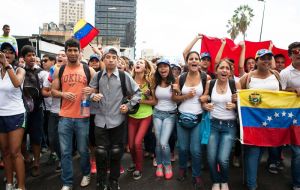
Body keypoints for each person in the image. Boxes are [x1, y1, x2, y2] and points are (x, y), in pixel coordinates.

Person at [89, 46, 141, 190]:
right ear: (103, 59)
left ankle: (114, 180)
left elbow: (138, 93)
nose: (111, 60)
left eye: (114, 57)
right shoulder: (97, 76)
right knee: (100, 152)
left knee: (116, 152)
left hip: (118, 120)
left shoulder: (124, 76)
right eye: (108, 57)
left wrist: (129, 106)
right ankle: (100, 181)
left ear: (118, 60)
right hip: (100, 120)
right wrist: (93, 96)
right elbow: (89, 92)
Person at [51, 38, 95, 190]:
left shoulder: (88, 69)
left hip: (83, 117)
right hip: (65, 117)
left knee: (83, 150)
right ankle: (67, 182)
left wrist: (92, 90)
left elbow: (98, 88)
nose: (72, 53)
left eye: (75, 50)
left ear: (80, 52)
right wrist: (63, 94)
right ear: (66, 52)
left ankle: (86, 173)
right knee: (65, 152)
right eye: (69, 50)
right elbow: (53, 91)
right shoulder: (60, 69)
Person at [239, 49, 281, 190]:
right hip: (253, 122)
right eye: (263, 58)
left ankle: (248, 177)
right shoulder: (248, 76)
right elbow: (238, 91)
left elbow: (283, 94)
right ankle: (252, 185)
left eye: (269, 58)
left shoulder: (276, 75)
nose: (266, 61)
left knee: (261, 150)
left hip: (270, 122)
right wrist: (236, 97)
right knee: (253, 152)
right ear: (256, 61)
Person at [172, 50, 210, 190]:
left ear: (199, 62)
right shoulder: (180, 78)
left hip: (198, 119)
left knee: (195, 150)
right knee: (182, 148)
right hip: (181, 118)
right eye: (191, 59)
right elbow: (174, 98)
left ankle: (196, 175)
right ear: (187, 62)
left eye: (196, 58)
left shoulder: (206, 77)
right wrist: (186, 96)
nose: (194, 61)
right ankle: (182, 169)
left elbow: (208, 96)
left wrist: (205, 98)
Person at [202, 59, 240, 190]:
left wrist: (236, 104)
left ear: (230, 72)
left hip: (229, 127)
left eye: (227, 68)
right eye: (221, 67)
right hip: (213, 125)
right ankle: (215, 181)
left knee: (223, 159)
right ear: (216, 70)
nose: (224, 70)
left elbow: (243, 105)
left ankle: (224, 180)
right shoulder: (210, 83)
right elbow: (204, 98)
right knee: (211, 158)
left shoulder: (236, 83)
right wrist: (205, 105)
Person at [0, 42, 26, 190]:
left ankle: (21, 186)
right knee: (5, 152)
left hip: (15, 114)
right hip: (1, 115)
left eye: (10, 52)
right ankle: (10, 183)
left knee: (15, 151)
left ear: (15, 55)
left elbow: (17, 83)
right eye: (4, 51)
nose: (6, 54)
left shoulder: (19, 70)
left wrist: (7, 65)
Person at [21, 45, 49, 177]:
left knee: (36, 138)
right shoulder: (18, 71)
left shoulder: (42, 73)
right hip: (21, 110)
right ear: (23, 58)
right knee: (20, 138)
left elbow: (48, 87)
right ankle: (27, 158)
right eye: (28, 55)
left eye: (33, 54)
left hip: (37, 110)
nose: (32, 57)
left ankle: (36, 163)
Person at [127, 58, 155, 180]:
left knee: (138, 143)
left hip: (145, 116)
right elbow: (126, 98)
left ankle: (139, 168)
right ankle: (134, 162)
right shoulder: (129, 80)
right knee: (131, 145)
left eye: (141, 62)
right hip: (132, 116)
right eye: (137, 62)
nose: (138, 63)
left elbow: (154, 101)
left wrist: (144, 98)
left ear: (146, 68)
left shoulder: (150, 82)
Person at [43, 50, 68, 172]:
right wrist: (53, 93)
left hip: (67, 112)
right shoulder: (52, 71)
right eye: (59, 55)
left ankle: (65, 162)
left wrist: (61, 93)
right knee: (52, 139)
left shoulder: (72, 71)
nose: (60, 56)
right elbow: (45, 90)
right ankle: (62, 158)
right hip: (54, 111)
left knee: (64, 140)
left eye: (63, 55)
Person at [280, 42, 300, 190]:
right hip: (294, 118)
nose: (299, 53)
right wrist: (293, 90)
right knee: (298, 153)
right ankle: (297, 183)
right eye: (295, 51)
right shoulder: (285, 73)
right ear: (290, 54)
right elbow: (279, 94)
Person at [152, 58, 176, 180]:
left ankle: (167, 165)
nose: (163, 68)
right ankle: (159, 164)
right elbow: (154, 100)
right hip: (156, 113)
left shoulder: (175, 82)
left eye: (165, 66)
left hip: (170, 115)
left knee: (163, 143)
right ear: (158, 69)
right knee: (158, 142)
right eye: (160, 66)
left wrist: (176, 91)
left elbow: (176, 99)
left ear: (169, 68)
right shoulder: (155, 82)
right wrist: (147, 94)